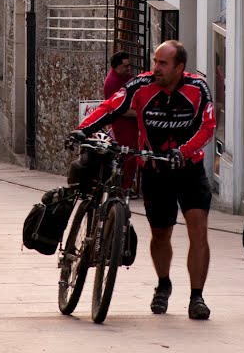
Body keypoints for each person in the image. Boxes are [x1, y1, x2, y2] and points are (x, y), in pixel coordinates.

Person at [69, 39, 215, 321]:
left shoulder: (198, 88)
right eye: (155, 61)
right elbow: (110, 107)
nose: (156, 68)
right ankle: (163, 284)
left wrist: (183, 152)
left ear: (179, 67)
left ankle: (197, 296)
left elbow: (208, 126)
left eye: (163, 63)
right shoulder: (140, 85)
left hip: (188, 170)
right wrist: (81, 130)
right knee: (161, 234)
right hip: (153, 170)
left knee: (198, 231)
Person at [103, 51, 138, 190]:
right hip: (123, 127)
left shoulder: (123, 77)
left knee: (132, 156)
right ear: (117, 67)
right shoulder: (112, 82)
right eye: (125, 66)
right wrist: (140, 113)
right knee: (128, 157)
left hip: (130, 126)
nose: (128, 68)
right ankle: (124, 188)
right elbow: (119, 109)